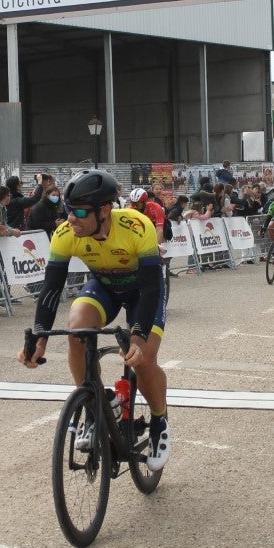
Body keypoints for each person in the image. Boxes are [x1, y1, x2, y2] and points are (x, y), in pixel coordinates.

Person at [17, 169, 172, 471]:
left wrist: (137, 336)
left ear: (104, 211)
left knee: (142, 360)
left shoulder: (136, 226)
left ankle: (159, 421)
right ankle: (95, 405)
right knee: (76, 329)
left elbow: (151, 289)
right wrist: (40, 336)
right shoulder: (65, 234)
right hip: (105, 287)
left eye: (79, 212)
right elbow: (51, 289)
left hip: (142, 291)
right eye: (67, 209)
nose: (70, 218)